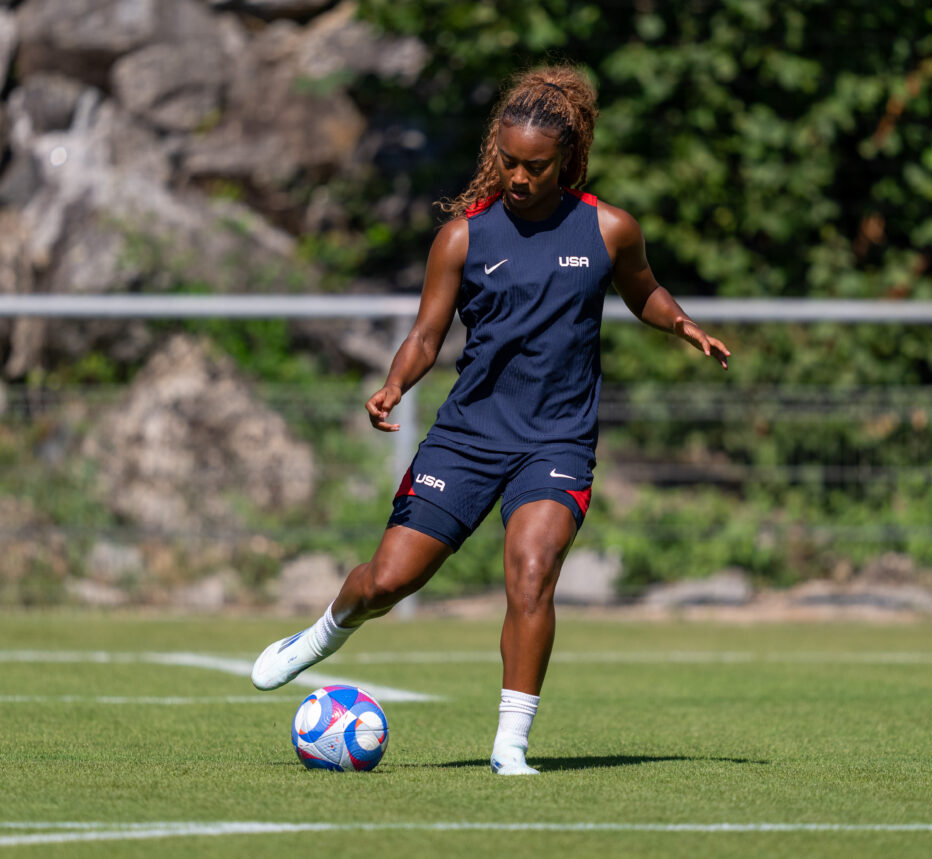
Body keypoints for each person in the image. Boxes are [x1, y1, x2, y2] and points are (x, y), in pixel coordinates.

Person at [251, 64, 730, 775]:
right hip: (468, 436)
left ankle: (510, 745)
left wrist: (683, 324)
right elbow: (424, 337)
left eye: (535, 166)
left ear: (566, 158)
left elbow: (644, 291)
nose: (518, 176)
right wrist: (392, 384)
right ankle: (325, 631)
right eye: (508, 161)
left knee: (532, 572)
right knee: (388, 579)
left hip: (557, 439)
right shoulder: (463, 239)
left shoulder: (609, 228)